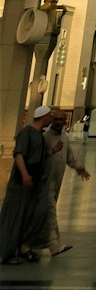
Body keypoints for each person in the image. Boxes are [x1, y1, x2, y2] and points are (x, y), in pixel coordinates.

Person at [0, 105, 55, 265]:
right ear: (44, 117)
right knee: (15, 216)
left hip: (34, 183)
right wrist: (24, 175)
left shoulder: (40, 135)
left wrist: (52, 152)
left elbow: (37, 155)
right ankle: (7, 252)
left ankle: (24, 247)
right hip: (21, 182)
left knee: (32, 216)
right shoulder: (26, 133)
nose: (51, 119)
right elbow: (19, 155)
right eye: (50, 116)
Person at [44, 110, 91, 256]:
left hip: (57, 181)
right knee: (50, 211)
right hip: (44, 182)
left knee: (44, 213)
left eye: (61, 120)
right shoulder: (45, 137)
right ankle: (54, 245)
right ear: (51, 119)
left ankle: (26, 245)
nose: (59, 123)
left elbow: (69, 155)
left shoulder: (63, 136)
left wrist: (79, 168)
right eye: (56, 119)